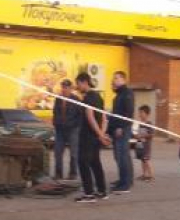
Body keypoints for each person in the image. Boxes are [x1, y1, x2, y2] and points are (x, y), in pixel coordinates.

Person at [75, 72, 110, 203]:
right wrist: (102, 134)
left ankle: (89, 194)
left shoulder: (89, 98)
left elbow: (90, 118)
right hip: (95, 137)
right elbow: (105, 118)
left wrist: (100, 134)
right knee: (95, 163)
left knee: (83, 162)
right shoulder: (99, 97)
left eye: (78, 84)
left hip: (88, 137)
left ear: (84, 82)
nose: (78, 87)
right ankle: (102, 191)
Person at [107, 71, 135, 194]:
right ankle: (125, 179)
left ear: (124, 80)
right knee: (120, 156)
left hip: (122, 128)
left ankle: (125, 184)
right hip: (116, 128)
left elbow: (128, 113)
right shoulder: (119, 94)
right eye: (114, 78)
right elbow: (115, 113)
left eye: (117, 78)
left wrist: (121, 127)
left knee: (122, 156)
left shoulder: (127, 93)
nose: (114, 80)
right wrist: (109, 130)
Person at [52, 79, 82, 180]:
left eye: (66, 87)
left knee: (74, 153)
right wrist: (56, 123)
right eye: (63, 87)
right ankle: (58, 173)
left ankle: (73, 173)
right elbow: (55, 112)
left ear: (70, 88)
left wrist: (75, 125)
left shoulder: (76, 99)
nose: (64, 89)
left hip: (72, 129)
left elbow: (80, 116)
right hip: (60, 130)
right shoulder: (58, 99)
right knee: (57, 152)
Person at [135, 104, 155, 182]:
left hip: (146, 145)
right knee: (142, 159)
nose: (140, 114)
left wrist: (143, 135)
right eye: (139, 112)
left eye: (141, 112)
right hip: (140, 144)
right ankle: (144, 174)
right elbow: (138, 132)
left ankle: (151, 175)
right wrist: (137, 136)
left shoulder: (149, 124)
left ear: (147, 114)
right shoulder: (140, 123)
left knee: (146, 160)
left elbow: (152, 134)